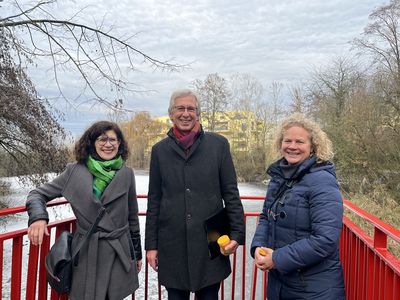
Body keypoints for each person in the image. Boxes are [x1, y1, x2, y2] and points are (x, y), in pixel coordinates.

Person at [145, 89, 245, 300]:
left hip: (211, 238)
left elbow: (231, 193)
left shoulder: (218, 145)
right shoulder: (159, 151)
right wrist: (152, 246)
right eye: (180, 108)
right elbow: (154, 200)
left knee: (209, 296)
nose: (186, 113)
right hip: (172, 241)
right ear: (171, 113)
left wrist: (236, 235)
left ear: (198, 114)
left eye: (191, 108)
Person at [26, 121, 142, 300]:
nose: (108, 144)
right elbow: (37, 194)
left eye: (113, 139)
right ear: (92, 142)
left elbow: (132, 217)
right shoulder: (74, 171)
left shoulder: (126, 174)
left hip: (118, 251)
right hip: (87, 251)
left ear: (119, 143)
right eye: (102, 139)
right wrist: (38, 218)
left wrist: (137, 253)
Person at [251, 113, 345, 299]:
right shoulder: (280, 178)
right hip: (282, 283)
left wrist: (277, 259)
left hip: (314, 289)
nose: (292, 146)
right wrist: (258, 247)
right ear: (281, 144)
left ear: (313, 147)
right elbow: (266, 217)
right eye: (288, 141)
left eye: (300, 142)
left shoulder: (322, 181)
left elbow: (325, 240)